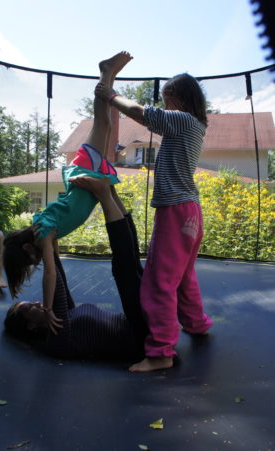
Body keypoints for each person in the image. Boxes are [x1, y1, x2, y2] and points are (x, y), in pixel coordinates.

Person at [3, 51, 133, 334]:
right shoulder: (44, 231)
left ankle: (105, 73)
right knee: (106, 125)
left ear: (29, 248)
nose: (38, 261)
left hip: (83, 177)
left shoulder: (45, 234)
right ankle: (108, 76)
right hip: (85, 180)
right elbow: (49, 266)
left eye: (32, 259)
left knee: (103, 124)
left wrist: (48, 310)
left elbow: (50, 273)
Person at [95, 72, 213, 372]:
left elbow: (140, 113)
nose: (164, 105)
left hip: (175, 211)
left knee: (159, 281)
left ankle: (161, 352)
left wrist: (109, 95)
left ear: (179, 99)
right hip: (189, 211)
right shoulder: (196, 125)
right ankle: (197, 324)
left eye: (167, 100)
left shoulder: (183, 120)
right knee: (184, 276)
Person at [4, 177, 149, 360]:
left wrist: (48, 242)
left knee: (130, 265)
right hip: (140, 339)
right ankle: (105, 195)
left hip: (140, 324)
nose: (36, 303)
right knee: (124, 270)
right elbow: (54, 281)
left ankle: (110, 193)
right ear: (30, 326)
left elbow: (60, 280)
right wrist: (41, 247)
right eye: (28, 308)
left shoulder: (64, 317)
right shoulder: (56, 341)